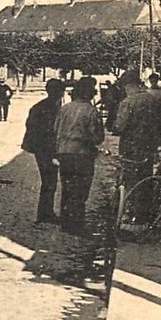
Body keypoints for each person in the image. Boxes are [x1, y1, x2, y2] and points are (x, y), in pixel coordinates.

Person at [54, 76, 105, 235]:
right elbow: (97, 137)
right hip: (83, 155)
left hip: (64, 153)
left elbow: (56, 129)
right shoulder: (91, 111)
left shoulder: (65, 108)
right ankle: (77, 225)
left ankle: (65, 222)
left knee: (67, 188)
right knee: (81, 191)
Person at [22, 79, 67, 225]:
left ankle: (45, 212)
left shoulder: (40, 106)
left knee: (49, 181)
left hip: (40, 148)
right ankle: (45, 214)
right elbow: (49, 130)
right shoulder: (51, 108)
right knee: (49, 181)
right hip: (46, 149)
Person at [113, 77, 161, 196]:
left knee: (130, 175)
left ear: (129, 86)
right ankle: (144, 204)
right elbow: (160, 122)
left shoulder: (127, 102)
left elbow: (120, 126)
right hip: (149, 145)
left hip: (131, 146)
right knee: (146, 174)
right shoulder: (152, 99)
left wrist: (114, 127)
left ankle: (129, 202)